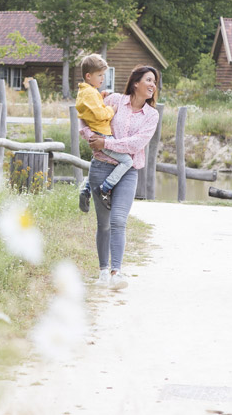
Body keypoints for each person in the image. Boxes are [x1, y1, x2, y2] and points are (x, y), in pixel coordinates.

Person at [81, 65, 161, 290]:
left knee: (118, 220)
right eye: (148, 80)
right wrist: (92, 138)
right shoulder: (114, 100)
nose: (153, 85)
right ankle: (103, 271)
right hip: (101, 167)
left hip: (128, 172)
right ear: (136, 83)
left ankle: (117, 271)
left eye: (154, 81)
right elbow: (86, 117)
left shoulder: (151, 115)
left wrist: (105, 143)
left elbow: (136, 144)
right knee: (103, 224)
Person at [75, 54, 133, 213]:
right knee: (127, 161)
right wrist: (111, 110)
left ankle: (86, 189)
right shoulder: (90, 93)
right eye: (99, 75)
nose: (102, 78)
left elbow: (92, 108)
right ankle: (105, 189)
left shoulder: (86, 91)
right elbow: (100, 114)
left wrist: (101, 97)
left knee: (98, 158)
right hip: (102, 135)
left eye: (103, 75)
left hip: (97, 132)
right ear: (88, 76)